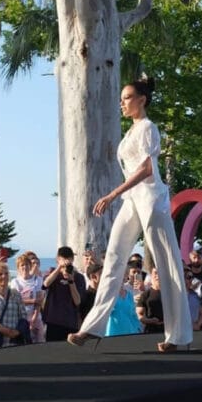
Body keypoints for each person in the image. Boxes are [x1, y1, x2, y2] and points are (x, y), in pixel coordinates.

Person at [67, 77, 192, 353]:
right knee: (113, 258)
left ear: (141, 100)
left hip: (151, 201)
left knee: (167, 264)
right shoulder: (132, 132)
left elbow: (147, 169)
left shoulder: (148, 127)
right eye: (122, 98)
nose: (122, 103)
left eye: (126, 97)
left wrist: (112, 194)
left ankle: (178, 336)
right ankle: (92, 327)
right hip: (133, 200)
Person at [42, 246, 86, 342]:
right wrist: (59, 268)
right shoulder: (52, 274)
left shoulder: (79, 278)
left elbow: (78, 301)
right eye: (62, 259)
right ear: (57, 259)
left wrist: (71, 281)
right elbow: (45, 284)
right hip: (53, 320)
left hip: (70, 322)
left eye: (68, 260)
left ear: (72, 260)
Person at [10, 254, 45, 344]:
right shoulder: (15, 282)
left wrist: (34, 318)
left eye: (26, 264)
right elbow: (15, 300)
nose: (25, 267)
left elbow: (39, 301)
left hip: (35, 317)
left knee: (39, 343)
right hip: (20, 318)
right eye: (22, 265)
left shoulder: (37, 280)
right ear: (18, 268)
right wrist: (32, 301)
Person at [105, 266, 143, 336]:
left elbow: (133, 316)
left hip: (131, 333)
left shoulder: (130, 295)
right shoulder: (108, 295)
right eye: (119, 273)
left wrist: (139, 329)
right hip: (112, 335)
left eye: (124, 274)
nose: (122, 276)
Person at [136, 268, 165, 334]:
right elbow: (139, 315)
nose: (157, 276)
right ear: (151, 276)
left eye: (160, 273)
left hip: (169, 331)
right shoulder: (145, 294)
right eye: (155, 273)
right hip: (150, 332)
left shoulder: (170, 293)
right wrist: (150, 320)